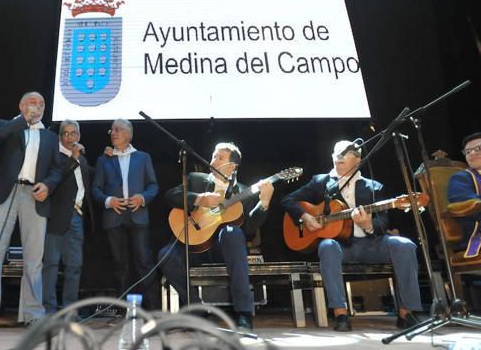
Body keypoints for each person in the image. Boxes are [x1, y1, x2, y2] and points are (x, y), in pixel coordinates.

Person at [281, 140, 422, 331]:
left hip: (371, 243)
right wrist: (305, 216)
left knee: (404, 245)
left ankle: (407, 314)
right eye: (336, 153)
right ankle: (340, 314)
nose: (338, 157)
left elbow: (383, 222)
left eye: (344, 154)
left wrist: (368, 224)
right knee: (327, 246)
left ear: (357, 160)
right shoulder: (320, 181)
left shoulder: (374, 187)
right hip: (340, 246)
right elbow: (288, 200)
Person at [158, 142, 273, 331]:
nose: (213, 160)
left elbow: (250, 228)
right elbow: (171, 196)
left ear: (233, 166)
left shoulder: (246, 192)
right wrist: (199, 199)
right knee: (165, 255)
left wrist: (264, 204)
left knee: (233, 233)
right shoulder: (197, 179)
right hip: (195, 246)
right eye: (213, 156)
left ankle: (243, 313)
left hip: (224, 249)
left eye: (220, 158)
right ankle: (198, 311)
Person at [0, 92, 62, 329]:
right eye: (33, 102)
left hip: (34, 195)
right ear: (22, 105)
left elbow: (56, 169)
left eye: (42, 104)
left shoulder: (51, 138)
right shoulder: (7, 126)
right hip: (5, 192)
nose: (39, 106)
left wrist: (49, 185)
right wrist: (22, 121)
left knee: (34, 259)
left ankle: (32, 314)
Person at [91, 118, 159, 309]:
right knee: (119, 265)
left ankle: (152, 309)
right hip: (113, 217)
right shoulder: (104, 159)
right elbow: (95, 189)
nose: (113, 133)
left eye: (118, 130)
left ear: (129, 134)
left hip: (138, 215)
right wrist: (108, 201)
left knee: (144, 262)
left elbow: (153, 185)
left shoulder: (143, 157)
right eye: (111, 130)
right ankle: (122, 310)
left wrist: (143, 198)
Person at [42, 120, 95, 314]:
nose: (70, 137)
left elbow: (89, 180)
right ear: (60, 136)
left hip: (77, 217)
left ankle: (70, 311)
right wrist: (72, 158)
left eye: (74, 133)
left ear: (79, 136)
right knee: (51, 264)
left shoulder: (82, 159)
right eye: (66, 133)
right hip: (56, 217)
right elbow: (56, 178)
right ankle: (48, 310)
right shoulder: (53, 156)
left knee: (75, 266)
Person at [447, 132, 481, 259]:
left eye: (478, 148)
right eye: (468, 152)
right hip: (477, 234)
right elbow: (467, 203)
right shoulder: (460, 178)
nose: (472, 153)